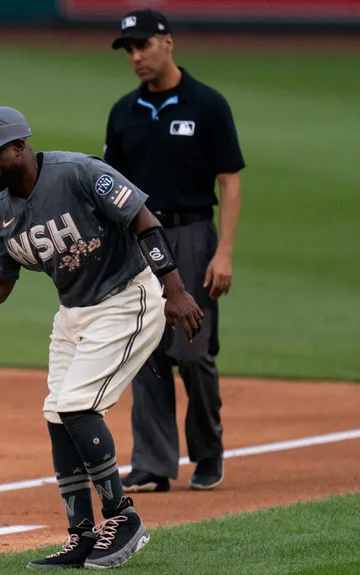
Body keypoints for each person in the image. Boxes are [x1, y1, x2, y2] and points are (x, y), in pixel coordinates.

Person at [0, 106, 203, 569]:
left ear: (20, 147)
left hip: (128, 298)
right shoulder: (3, 216)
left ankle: (123, 520)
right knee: (58, 414)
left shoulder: (78, 172)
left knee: (78, 404)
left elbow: (143, 218)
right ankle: (82, 534)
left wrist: (174, 289)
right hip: (73, 314)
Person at [105, 9, 245, 493]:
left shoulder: (207, 105)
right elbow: (111, 187)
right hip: (140, 242)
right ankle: (153, 463)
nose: (136, 57)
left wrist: (222, 252)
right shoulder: (124, 112)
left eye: (143, 45)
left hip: (191, 235)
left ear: (168, 42)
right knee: (145, 353)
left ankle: (207, 454)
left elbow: (229, 181)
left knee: (194, 353)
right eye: (128, 50)